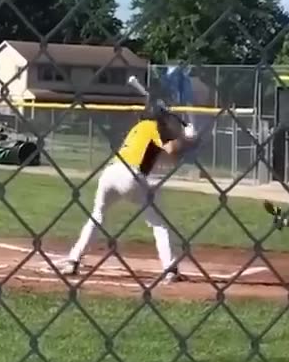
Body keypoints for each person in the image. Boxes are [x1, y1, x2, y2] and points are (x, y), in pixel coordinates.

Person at [60, 97, 199, 282]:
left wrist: (183, 139)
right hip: (130, 176)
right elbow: (172, 150)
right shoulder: (153, 127)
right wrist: (188, 138)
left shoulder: (138, 128)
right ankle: (170, 270)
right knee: (159, 223)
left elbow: (165, 154)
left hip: (110, 173)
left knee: (97, 216)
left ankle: (73, 260)